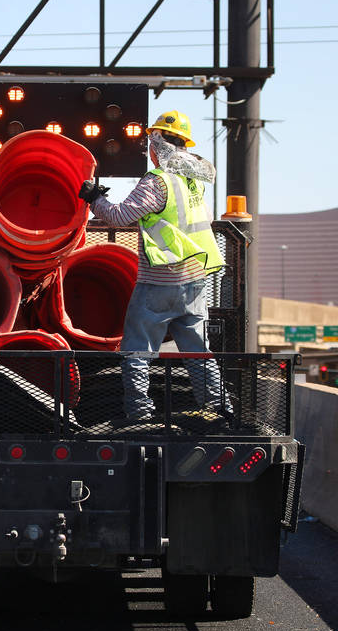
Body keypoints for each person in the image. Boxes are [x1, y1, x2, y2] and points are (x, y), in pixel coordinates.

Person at [79, 109, 230, 424]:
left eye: (152, 141)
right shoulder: (193, 182)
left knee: (137, 350)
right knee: (198, 351)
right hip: (195, 280)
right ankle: (217, 411)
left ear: (158, 145)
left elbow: (120, 217)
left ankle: (140, 415)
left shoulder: (157, 181)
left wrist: (94, 199)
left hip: (160, 281)